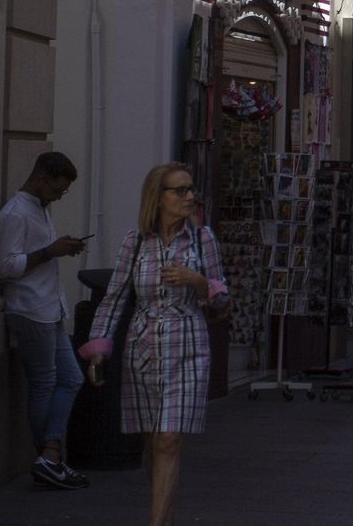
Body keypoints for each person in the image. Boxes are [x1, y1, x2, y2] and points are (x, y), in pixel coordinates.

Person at [80, 163, 229, 526]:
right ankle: (165, 512)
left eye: (191, 189)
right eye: (180, 190)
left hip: (188, 347)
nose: (190, 196)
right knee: (152, 442)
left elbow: (223, 301)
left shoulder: (202, 239)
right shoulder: (135, 243)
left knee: (168, 440)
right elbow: (114, 299)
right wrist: (98, 348)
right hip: (142, 351)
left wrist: (196, 281)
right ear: (158, 198)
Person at [0, 151, 89, 490]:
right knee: (45, 382)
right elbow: (5, 268)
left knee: (72, 378)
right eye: (57, 190)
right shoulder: (16, 213)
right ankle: (49, 457)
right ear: (41, 178)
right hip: (30, 308)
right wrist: (51, 251)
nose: (59, 197)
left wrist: (60, 248)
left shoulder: (40, 209)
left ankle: (50, 454)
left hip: (50, 307)